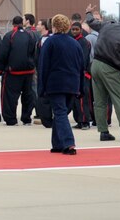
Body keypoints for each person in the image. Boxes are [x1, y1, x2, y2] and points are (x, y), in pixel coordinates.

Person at [85, 5, 120, 142]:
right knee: (119, 100)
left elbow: (91, 22)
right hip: (111, 69)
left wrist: (88, 12)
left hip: (95, 65)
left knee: (99, 101)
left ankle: (103, 132)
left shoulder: (107, 26)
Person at [37, 14, 83, 155]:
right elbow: (81, 66)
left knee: (60, 112)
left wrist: (41, 87)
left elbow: (43, 66)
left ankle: (68, 142)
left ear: (54, 27)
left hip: (56, 83)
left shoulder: (50, 42)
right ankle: (57, 143)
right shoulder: (75, 43)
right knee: (61, 112)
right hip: (72, 84)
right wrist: (80, 87)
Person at [0, 16, 37, 126]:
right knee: (28, 95)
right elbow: (33, 52)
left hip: (13, 72)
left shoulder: (9, 36)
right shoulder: (30, 35)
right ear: (22, 23)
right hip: (28, 71)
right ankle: (26, 118)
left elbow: (3, 54)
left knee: (10, 97)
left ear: (13, 24)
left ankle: (11, 119)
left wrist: (3, 68)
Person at [69, 22, 94, 130]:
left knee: (83, 99)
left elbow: (83, 59)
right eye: (73, 29)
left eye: (76, 29)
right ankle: (79, 120)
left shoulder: (84, 42)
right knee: (75, 99)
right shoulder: (72, 41)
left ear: (80, 30)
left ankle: (85, 121)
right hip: (73, 74)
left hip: (82, 75)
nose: (74, 31)